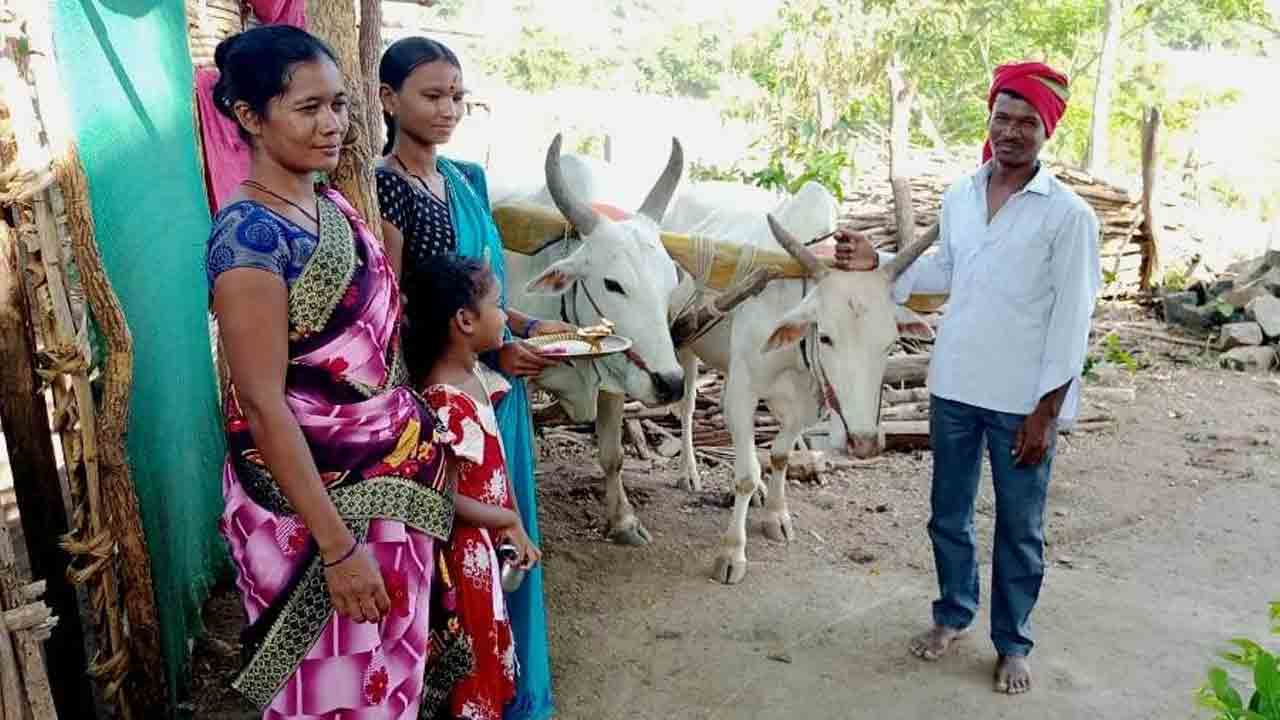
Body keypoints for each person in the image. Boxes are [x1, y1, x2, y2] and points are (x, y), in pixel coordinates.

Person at [207, 26, 467, 719]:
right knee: (331, 692)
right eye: (308, 108)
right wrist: (338, 546)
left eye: (341, 106)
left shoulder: (330, 207)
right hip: (313, 512)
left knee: (388, 682)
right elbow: (262, 403)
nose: (332, 126)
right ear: (250, 118)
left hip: (387, 481)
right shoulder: (249, 240)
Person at [835, 61, 1102, 696]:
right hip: (953, 387)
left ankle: (1013, 643)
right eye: (1001, 118)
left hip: (1020, 400)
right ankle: (953, 613)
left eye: (1026, 122)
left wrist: (1045, 413)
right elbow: (947, 273)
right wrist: (882, 267)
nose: (1011, 132)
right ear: (989, 120)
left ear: (1046, 131)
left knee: (1020, 526)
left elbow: (1073, 319)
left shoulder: (1068, 216)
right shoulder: (960, 195)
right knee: (947, 516)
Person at [376, 36, 562, 720]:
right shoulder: (388, 189)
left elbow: (476, 292)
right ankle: (472, 694)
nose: (448, 108)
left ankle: (516, 686)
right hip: (449, 398)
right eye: (431, 95)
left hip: (494, 383)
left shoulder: (462, 180)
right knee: (465, 555)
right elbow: (401, 308)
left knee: (511, 536)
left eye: (456, 94)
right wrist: (489, 355)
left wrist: (527, 327)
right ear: (388, 100)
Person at [402, 253, 542, 720]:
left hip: (484, 554)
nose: (505, 316)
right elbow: (441, 498)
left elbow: (496, 468)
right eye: (499, 305)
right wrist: (505, 519)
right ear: (464, 320)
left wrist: (513, 522)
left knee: (484, 660)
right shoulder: (445, 401)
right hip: (462, 567)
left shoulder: (475, 378)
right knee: (471, 675)